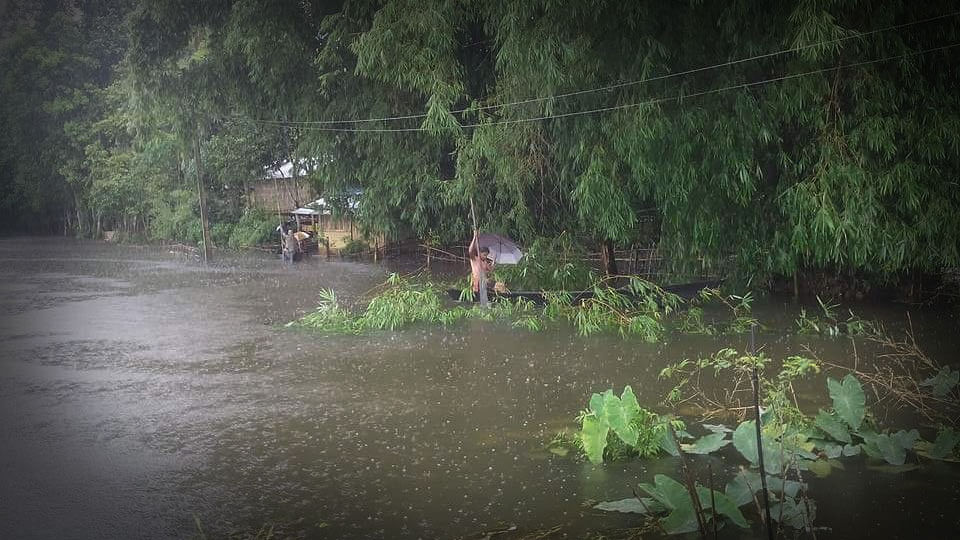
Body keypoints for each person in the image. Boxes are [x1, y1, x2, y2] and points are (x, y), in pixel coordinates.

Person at [468, 230, 494, 304]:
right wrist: (474, 237)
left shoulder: (485, 262)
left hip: (484, 283)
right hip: (477, 282)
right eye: (484, 255)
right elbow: (470, 251)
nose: (486, 257)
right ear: (480, 253)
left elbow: (489, 271)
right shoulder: (475, 259)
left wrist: (493, 264)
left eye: (487, 255)